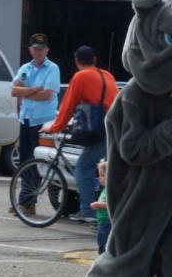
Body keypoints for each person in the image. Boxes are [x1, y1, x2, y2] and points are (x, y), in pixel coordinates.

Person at [42, 45, 118, 223]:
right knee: (111, 169)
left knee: (84, 167)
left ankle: (88, 211)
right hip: (116, 127)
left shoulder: (81, 76)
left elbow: (68, 105)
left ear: (76, 62)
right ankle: (109, 205)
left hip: (100, 130)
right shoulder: (107, 75)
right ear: (95, 61)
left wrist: (55, 127)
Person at [9, 33, 60, 214]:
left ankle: (25, 202)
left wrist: (25, 92)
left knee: (34, 160)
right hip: (26, 118)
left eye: (41, 48)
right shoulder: (26, 68)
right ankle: (26, 202)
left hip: (42, 122)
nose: (38, 52)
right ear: (30, 50)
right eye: (35, 48)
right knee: (24, 161)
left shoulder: (52, 68)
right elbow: (13, 91)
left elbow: (47, 95)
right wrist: (33, 89)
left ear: (47, 50)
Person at [90, 160, 112, 254]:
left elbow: (111, 204)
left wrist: (98, 205)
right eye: (99, 175)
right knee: (101, 243)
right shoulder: (104, 190)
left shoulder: (111, 190)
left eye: (102, 175)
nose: (99, 178)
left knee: (105, 246)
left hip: (108, 222)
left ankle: (104, 263)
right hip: (102, 222)